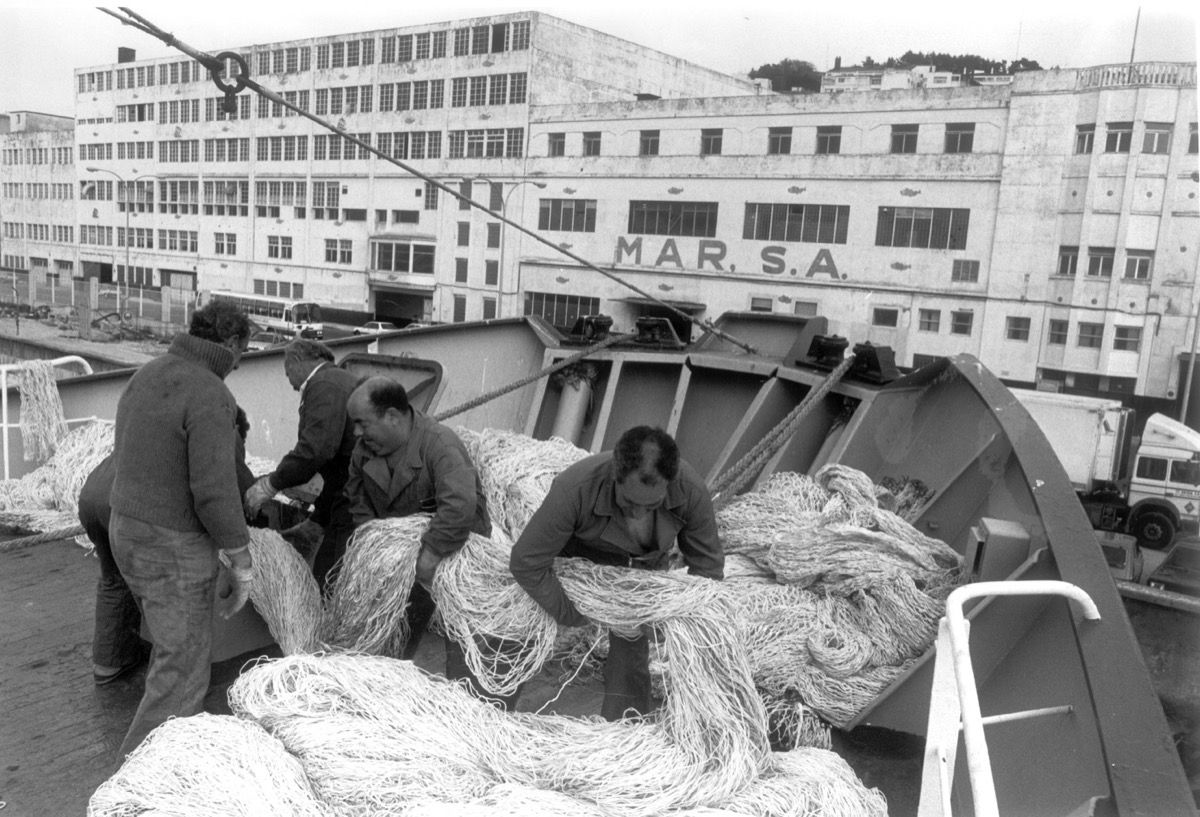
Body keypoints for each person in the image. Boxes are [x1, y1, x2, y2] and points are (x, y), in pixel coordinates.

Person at [107, 300, 254, 758]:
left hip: (125, 529)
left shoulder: (146, 374)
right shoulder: (210, 393)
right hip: (171, 545)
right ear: (230, 344)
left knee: (171, 653)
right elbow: (213, 489)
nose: (239, 362)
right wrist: (242, 559)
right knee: (184, 670)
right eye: (243, 352)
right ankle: (141, 781)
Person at [510, 425, 723, 721]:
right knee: (521, 619)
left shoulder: (691, 491)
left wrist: (668, 619)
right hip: (576, 558)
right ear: (614, 476)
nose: (638, 513)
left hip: (642, 567)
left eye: (651, 505)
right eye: (630, 503)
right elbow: (526, 561)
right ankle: (492, 705)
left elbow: (708, 571)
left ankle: (626, 726)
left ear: (670, 483)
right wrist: (570, 613)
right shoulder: (575, 488)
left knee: (631, 647)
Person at [343, 376, 501, 701]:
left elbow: (459, 507)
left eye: (362, 423)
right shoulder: (363, 452)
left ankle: (469, 709)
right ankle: (388, 699)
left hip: (458, 557)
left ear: (392, 416)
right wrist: (377, 550)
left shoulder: (440, 445)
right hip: (405, 563)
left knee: (465, 647)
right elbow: (358, 502)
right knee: (394, 633)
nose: (357, 433)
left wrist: (428, 559)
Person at [81, 408, 256, 686]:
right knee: (164, 593)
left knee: (114, 579)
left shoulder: (170, 427)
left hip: (94, 497)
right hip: (128, 508)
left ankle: (108, 663)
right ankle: (171, 680)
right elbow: (235, 488)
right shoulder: (224, 428)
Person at [242, 338, 357, 590]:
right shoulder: (338, 380)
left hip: (356, 499)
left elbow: (316, 450)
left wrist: (270, 485)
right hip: (347, 492)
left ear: (295, 361)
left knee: (327, 577)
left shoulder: (324, 384)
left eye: (287, 374)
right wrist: (318, 519)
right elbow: (338, 466)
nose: (292, 384)